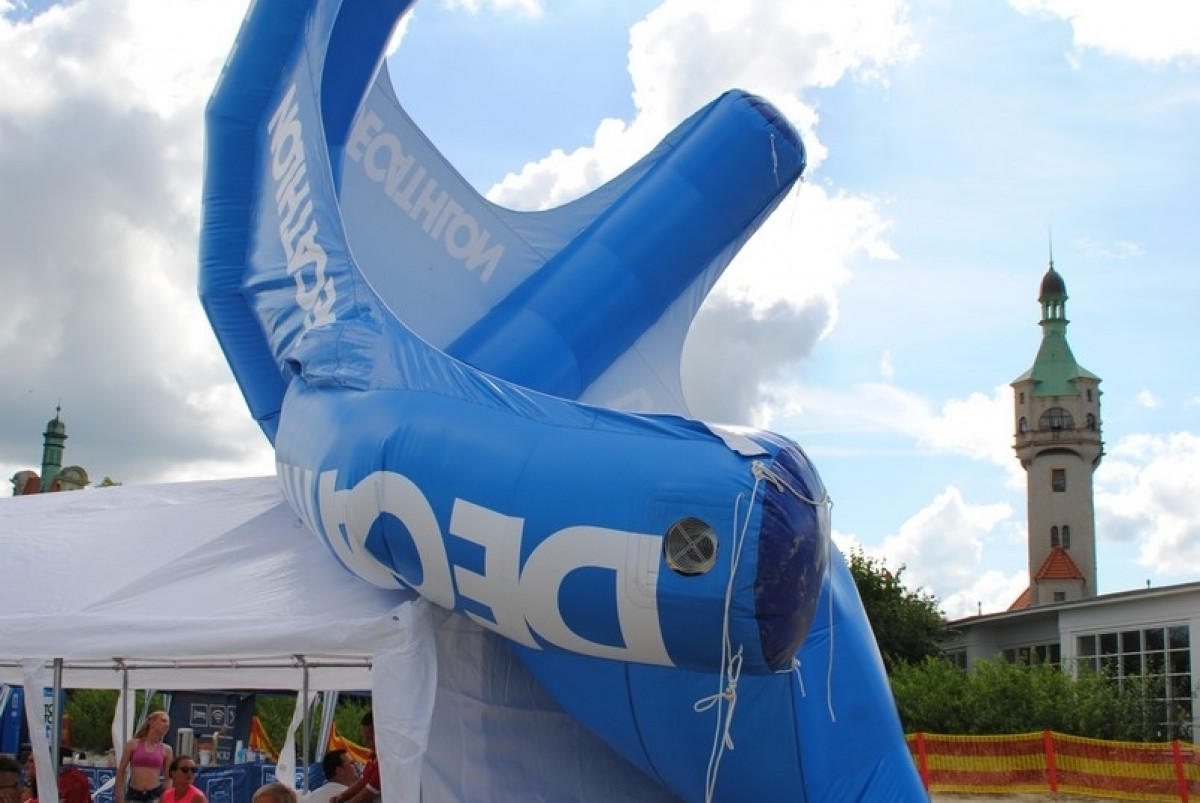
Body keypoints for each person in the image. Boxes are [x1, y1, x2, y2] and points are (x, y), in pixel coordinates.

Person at [115, 710, 173, 803]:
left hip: (155, 794)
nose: (166, 725)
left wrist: (166, 798)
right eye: (163, 721)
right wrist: (119, 796)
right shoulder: (133, 744)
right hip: (134, 793)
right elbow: (121, 771)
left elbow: (168, 778)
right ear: (151, 722)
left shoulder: (166, 750)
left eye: (168, 723)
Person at [328, 713, 378, 803]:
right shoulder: (374, 757)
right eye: (351, 763)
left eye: (370, 739)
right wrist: (341, 796)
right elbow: (363, 781)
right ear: (339, 770)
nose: (365, 742)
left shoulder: (386, 760)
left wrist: (343, 797)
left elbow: (370, 790)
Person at [20, 747, 91, 803]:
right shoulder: (46, 781)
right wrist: (29, 781)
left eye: (31, 761)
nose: (27, 765)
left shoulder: (69, 779)